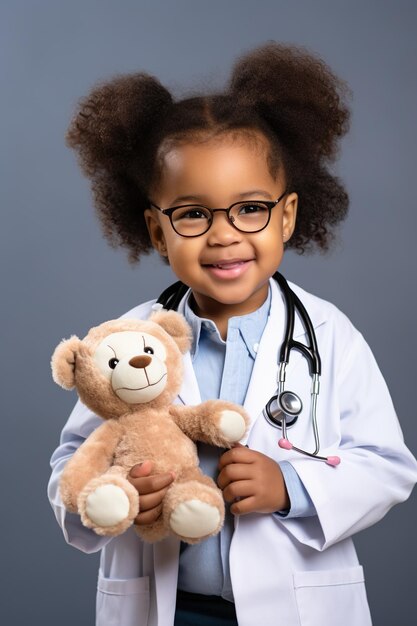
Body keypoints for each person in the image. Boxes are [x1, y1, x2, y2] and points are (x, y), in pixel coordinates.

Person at [48, 43, 417, 626]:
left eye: (250, 209)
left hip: (294, 606)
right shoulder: (125, 342)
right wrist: (114, 490)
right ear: (155, 230)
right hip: (169, 606)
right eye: (192, 214)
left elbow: (388, 464)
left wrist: (291, 486)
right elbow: (72, 460)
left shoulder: (329, 334)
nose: (223, 236)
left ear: (288, 216)